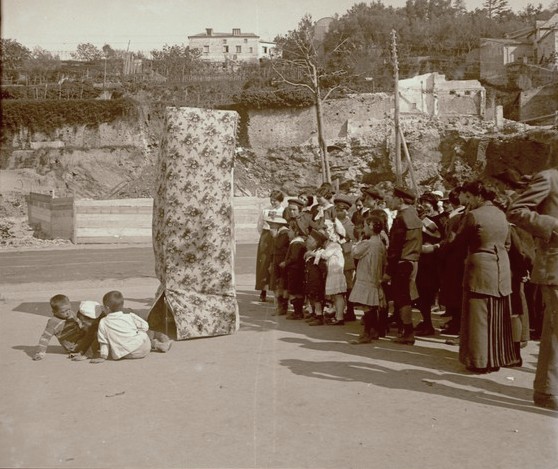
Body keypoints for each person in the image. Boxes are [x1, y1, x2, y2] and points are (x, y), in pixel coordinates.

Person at [507, 149, 558, 410]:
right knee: (555, 330)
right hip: (555, 265)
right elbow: (516, 211)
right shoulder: (548, 178)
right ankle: (547, 391)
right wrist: (553, 225)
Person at [451, 180, 519, 373]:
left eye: (470, 197)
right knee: (497, 314)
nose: (469, 201)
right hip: (501, 268)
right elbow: (507, 244)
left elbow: (459, 243)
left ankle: (479, 361)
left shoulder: (474, 215)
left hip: (479, 268)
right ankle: (496, 359)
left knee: (478, 315)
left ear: (479, 196)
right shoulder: (501, 214)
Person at [92, 291, 171, 363]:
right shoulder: (130, 316)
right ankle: (157, 345)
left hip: (126, 354)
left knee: (121, 342)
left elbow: (104, 341)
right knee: (140, 334)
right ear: (122, 306)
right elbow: (145, 326)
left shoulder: (103, 321)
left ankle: (155, 344)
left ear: (107, 308)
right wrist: (136, 331)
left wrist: (103, 356)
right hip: (145, 348)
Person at [386, 186, 422, 345]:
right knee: (406, 296)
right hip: (413, 261)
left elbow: (395, 247)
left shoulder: (401, 218)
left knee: (402, 298)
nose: (391, 201)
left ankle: (408, 332)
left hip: (402, 262)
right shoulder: (414, 215)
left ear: (400, 199)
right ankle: (405, 330)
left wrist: (389, 270)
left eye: (393, 198)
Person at [350, 215, 387, 343]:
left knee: (367, 306)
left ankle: (367, 333)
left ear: (371, 227)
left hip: (366, 276)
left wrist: (358, 241)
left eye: (365, 226)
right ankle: (374, 330)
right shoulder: (380, 243)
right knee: (372, 305)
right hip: (375, 277)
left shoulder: (368, 243)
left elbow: (355, 253)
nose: (363, 229)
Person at [33, 294, 87, 360]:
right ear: (54, 312)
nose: (68, 312)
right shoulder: (53, 322)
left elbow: (79, 322)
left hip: (80, 338)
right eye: (63, 311)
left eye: (69, 309)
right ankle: (83, 353)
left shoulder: (71, 313)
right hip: (73, 346)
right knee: (93, 341)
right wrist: (40, 353)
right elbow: (45, 337)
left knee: (94, 330)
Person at [255, 190, 285, 303]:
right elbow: (260, 225)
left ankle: (278, 293)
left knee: (276, 262)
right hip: (266, 236)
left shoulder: (284, 211)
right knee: (264, 263)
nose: (273, 202)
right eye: (271, 200)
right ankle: (263, 290)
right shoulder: (265, 210)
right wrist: (265, 236)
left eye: (275, 200)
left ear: (280, 200)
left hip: (279, 236)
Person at [334, 194, 357, 322]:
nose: (338, 212)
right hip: (337, 257)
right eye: (336, 209)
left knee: (348, 285)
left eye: (340, 210)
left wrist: (341, 243)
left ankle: (350, 310)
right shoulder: (335, 222)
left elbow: (352, 241)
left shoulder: (349, 225)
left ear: (346, 211)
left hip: (346, 257)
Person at [283, 218, 308, 320]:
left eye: (290, 230)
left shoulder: (296, 243)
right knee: (297, 291)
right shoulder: (298, 242)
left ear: (296, 231)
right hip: (298, 271)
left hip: (295, 271)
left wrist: (285, 263)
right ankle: (298, 311)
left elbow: (294, 258)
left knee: (294, 291)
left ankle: (298, 312)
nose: (288, 233)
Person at [304, 229, 329, 326]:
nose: (307, 241)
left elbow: (323, 268)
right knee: (312, 297)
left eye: (310, 239)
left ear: (316, 242)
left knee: (317, 298)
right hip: (311, 280)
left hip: (317, 281)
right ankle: (315, 314)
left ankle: (319, 317)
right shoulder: (312, 252)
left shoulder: (319, 253)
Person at [268, 215, 290, 316]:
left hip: (281, 262)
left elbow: (279, 245)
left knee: (281, 284)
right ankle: (280, 307)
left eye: (272, 224)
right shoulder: (279, 232)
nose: (270, 226)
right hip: (277, 261)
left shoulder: (284, 233)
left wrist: (274, 237)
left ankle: (282, 308)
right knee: (278, 284)